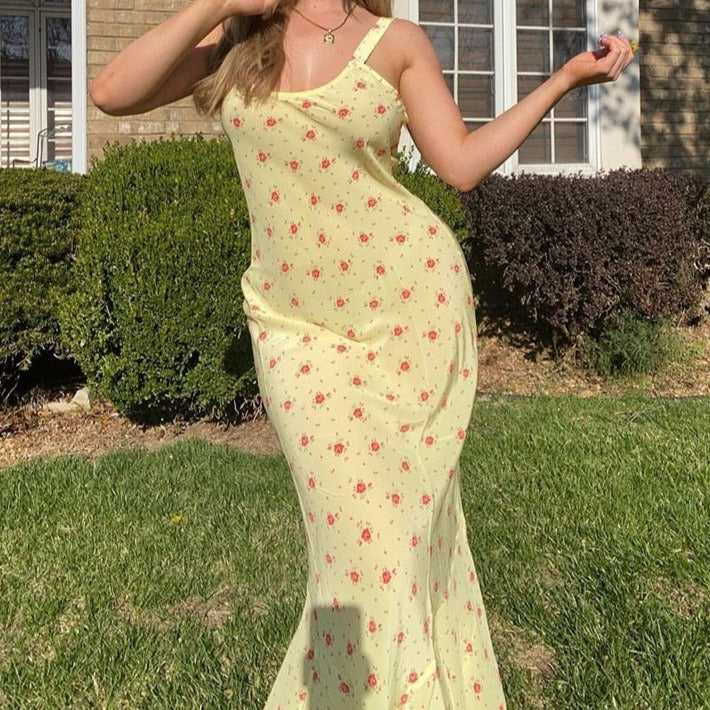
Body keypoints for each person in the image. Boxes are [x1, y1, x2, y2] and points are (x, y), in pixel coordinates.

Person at [90, 2, 635, 707]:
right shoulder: (236, 39)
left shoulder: (396, 42)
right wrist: (219, 4)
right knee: (360, 549)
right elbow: (111, 93)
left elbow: (460, 163)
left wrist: (562, 81)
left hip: (408, 315)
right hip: (293, 332)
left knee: (396, 548)